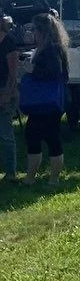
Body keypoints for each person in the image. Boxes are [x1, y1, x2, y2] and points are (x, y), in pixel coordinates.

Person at [23, 14, 69, 187]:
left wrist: (33, 70)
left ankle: (52, 178)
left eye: (34, 29)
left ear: (42, 30)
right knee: (34, 135)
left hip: (48, 102)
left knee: (50, 136)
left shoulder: (52, 49)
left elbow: (54, 73)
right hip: (43, 102)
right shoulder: (45, 48)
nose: (32, 32)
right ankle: (32, 177)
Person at [0, 15, 19, 183]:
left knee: (5, 134)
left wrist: (7, 94)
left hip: (5, 91)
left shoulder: (8, 43)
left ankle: (10, 171)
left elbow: (13, 73)